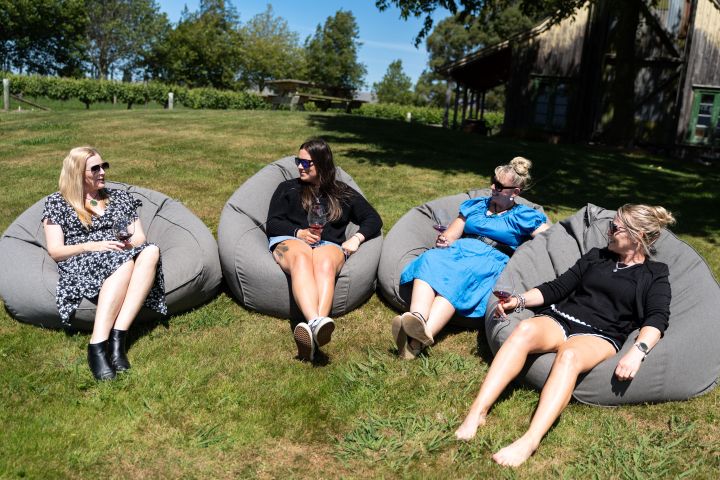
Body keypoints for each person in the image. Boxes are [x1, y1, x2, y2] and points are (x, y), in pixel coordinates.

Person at [455, 204, 675, 467]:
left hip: (601, 335)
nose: (608, 231)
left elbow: (657, 319)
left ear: (636, 236)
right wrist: (520, 301)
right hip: (561, 319)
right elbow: (557, 288)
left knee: (569, 356)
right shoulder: (596, 256)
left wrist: (637, 353)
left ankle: (530, 439)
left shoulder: (655, 274)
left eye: (615, 227)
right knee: (523, 329)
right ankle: (477, 412)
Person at [392, 157, 549, 359]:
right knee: (430, 258)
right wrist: (444, 240)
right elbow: (451, 234)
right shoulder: (474, 206)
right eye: (493, 181)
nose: (493, 187)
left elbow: (550, 238)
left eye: (500, 186)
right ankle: (417, 318)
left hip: (489, 259)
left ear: (515, 192)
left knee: (460, 277)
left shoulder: (525, 215)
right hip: (460, 249)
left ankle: (417, 341)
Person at [42, 146, 166, 380]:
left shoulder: (119, 197)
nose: (103, 172)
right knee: (125, 263)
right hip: (83, 257)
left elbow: (139, 236)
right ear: (77, 173)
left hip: (119, 250)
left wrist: (125, 245)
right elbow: (56, 251)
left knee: (151, 251)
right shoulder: (58, 203)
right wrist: (92, 245)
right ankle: (97, 345)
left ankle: (118, 337)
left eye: (104, 166)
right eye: (95, 168)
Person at [266, 138, 382, 362]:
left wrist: (357, 238)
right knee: (300, 258)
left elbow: (373, 218)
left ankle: (312, 333)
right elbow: (272, 222)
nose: (300, 166)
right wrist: (298, 232)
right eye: (298, 161)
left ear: (322, 164)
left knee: (325, 265)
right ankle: (317, 322)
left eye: (306, 163)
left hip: (327, 245)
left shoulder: (341, 192)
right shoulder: (288, 188)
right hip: (291, 239)